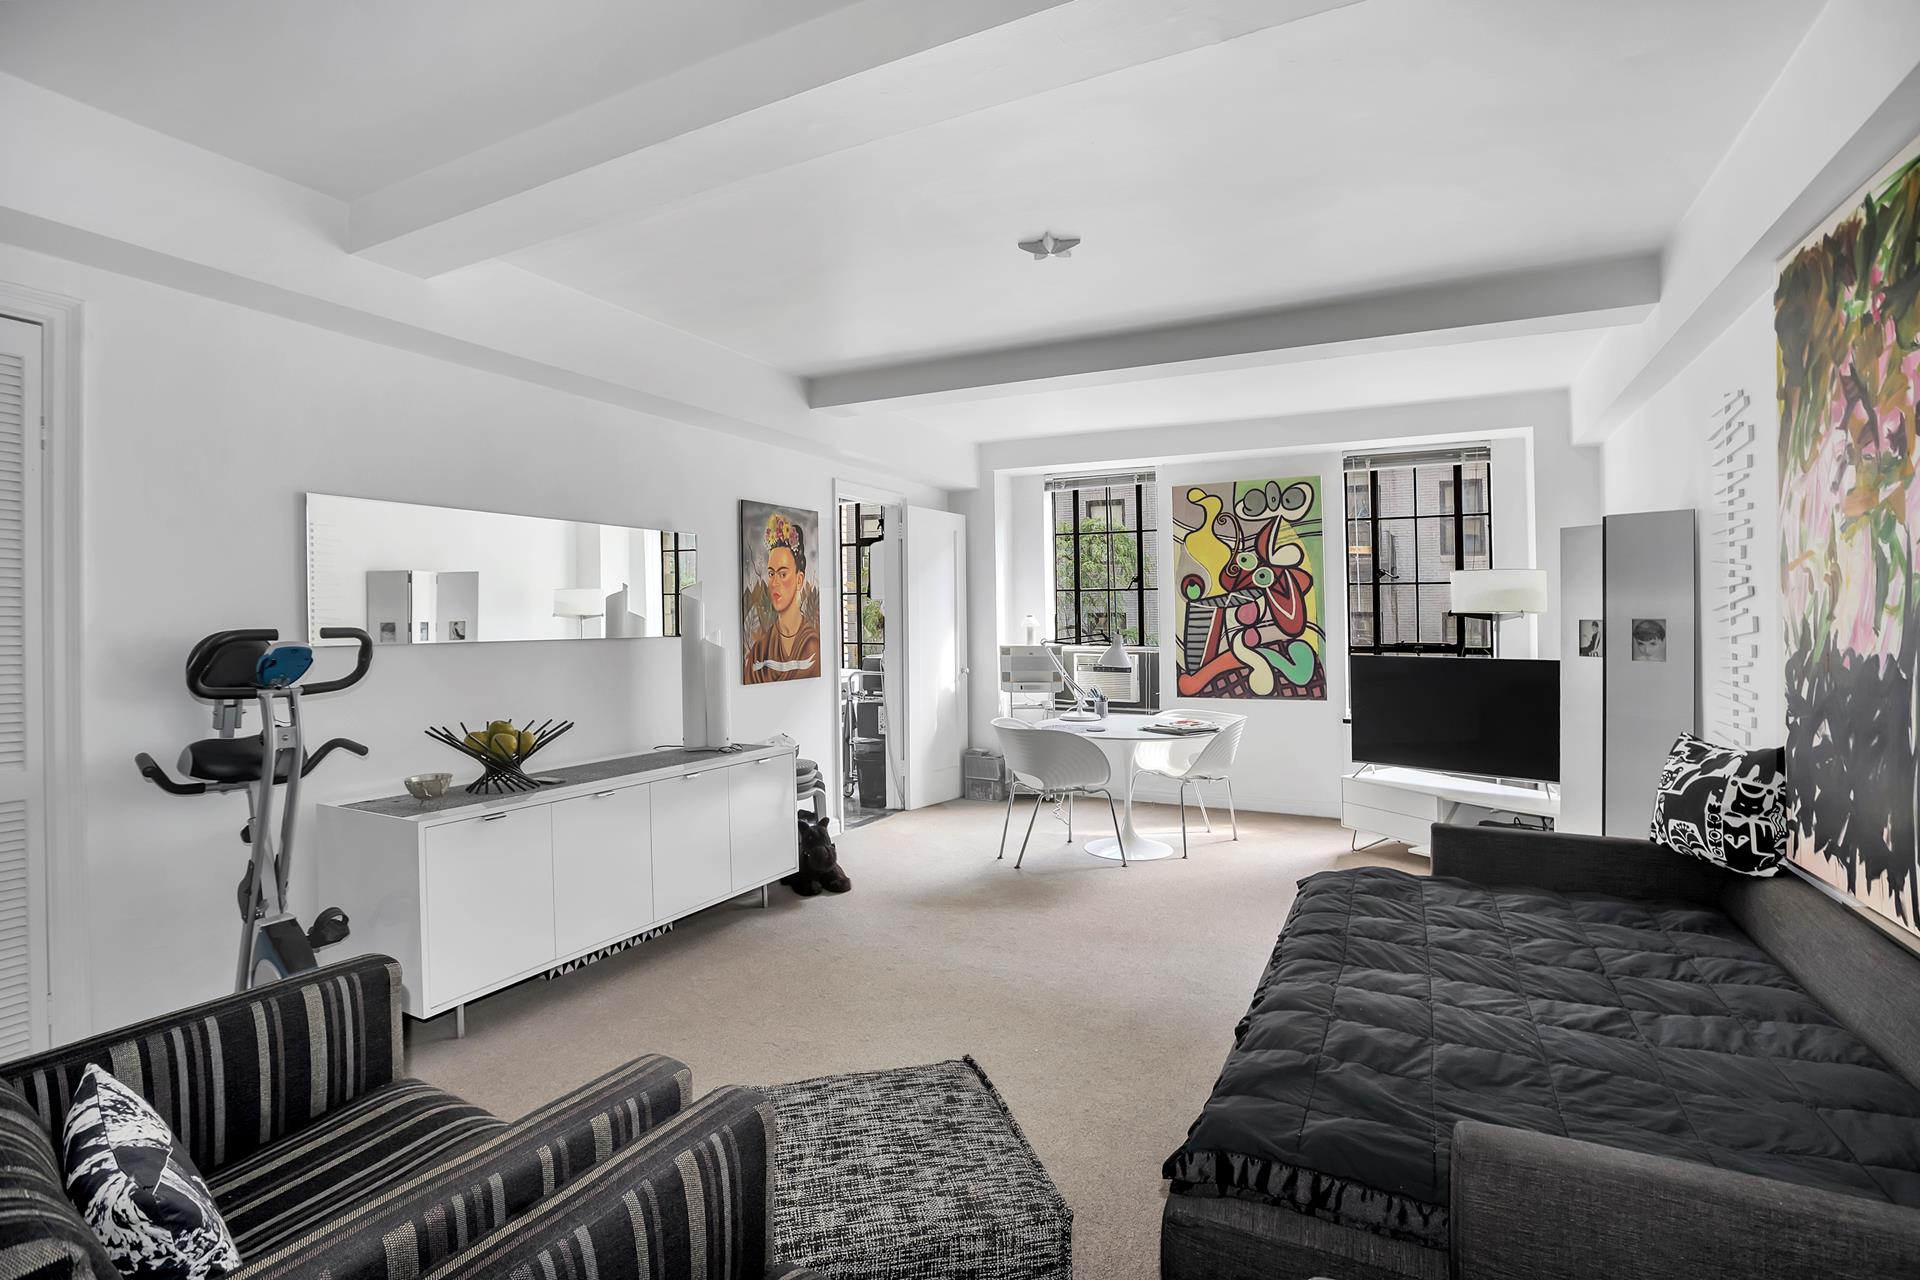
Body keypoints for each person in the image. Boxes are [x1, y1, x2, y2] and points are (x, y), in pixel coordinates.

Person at [745, 512, 821, 682]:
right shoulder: (759, 650)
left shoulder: (812, 644)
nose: (774, 583)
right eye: (771, 574)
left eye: (783, 574)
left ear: (799, 580)